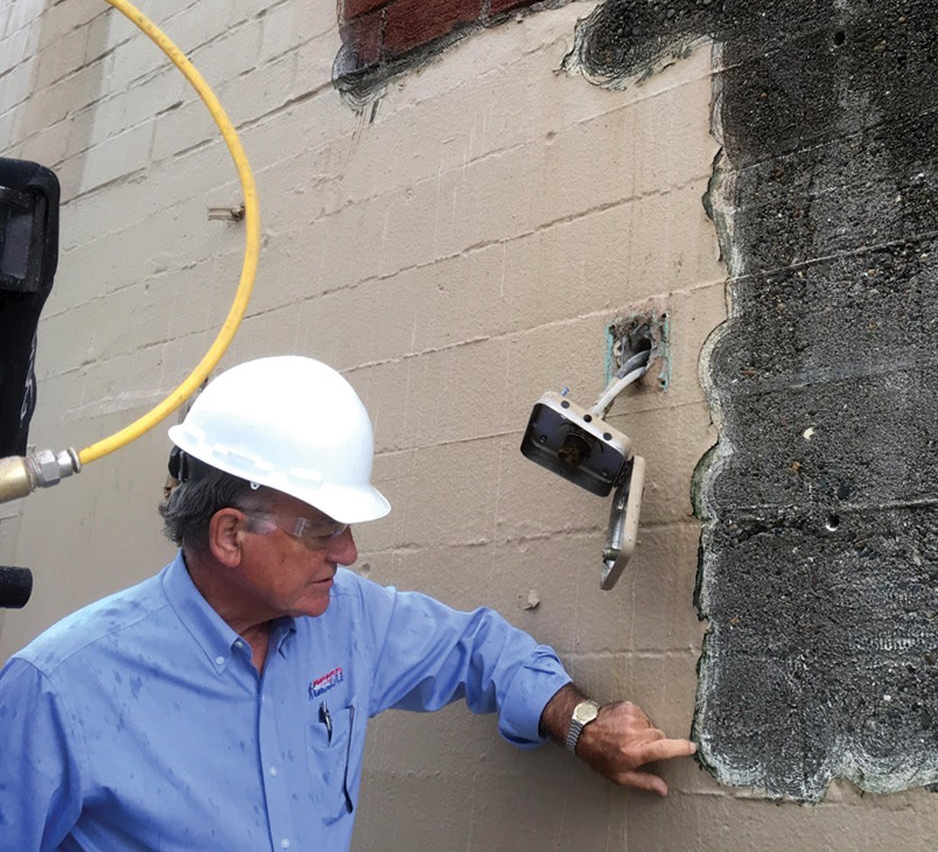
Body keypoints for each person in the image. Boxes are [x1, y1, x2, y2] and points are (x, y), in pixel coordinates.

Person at [0, 355, 694, 851]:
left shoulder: (348, 619)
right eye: (323, 530)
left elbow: (474, 647)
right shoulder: (57, 690)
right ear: (230, 535)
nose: (350, 553)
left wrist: (577, 722)